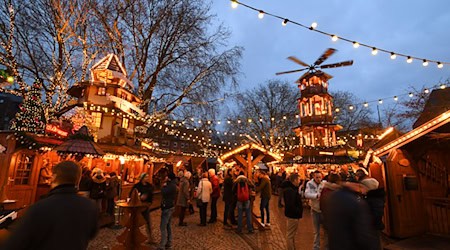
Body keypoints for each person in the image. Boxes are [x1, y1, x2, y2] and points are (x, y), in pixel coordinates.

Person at [2, 161, 98, 250]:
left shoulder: (40, 207)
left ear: (54, 177)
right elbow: (92, 233)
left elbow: (16, 242)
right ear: (78, 179)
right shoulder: (90, 206)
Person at [325, 180, 378, 250]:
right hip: (350, 245)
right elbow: (363, 234)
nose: (364, 192)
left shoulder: (334, 196)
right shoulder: (356, 202)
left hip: (335, 243)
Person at [356, 169, 385, 250]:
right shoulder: (375, 198)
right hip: (372, 226)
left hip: (371, 227)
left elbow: (375, 214)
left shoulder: (372, 200)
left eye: (362, 187)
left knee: (374, 243)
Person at [130, 173, 154, 244]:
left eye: (147, 177)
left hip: (145, 206)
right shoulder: (137, 186)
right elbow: (132, 194)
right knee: (135, 222)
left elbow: (151, 195)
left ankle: (150, 238)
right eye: (145, 177)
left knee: (148, 222)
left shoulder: (149, 186)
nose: (147, 178)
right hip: (137, 207)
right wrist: (138, 197)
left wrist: (149, 202)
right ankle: (134, 238)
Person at [304, 170, 324, 250]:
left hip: (323, 211)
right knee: (316, 231)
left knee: (325, 231)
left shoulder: (324, 183)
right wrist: (316, 196)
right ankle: (316, 248)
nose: (319, 179)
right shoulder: (309, 184)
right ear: (313, 177)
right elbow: (307, 194)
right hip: (315, 210)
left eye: (320, 177)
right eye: (317, 177)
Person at [283, 173, 304, 250]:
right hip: (293, 215)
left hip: (292, 214)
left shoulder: (291, 189)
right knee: (290, 235)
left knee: (291, 234)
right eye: (298, 179)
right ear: (294, 180)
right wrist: (297, 211)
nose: (299, 181)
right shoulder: (290, 191)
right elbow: (290, 204)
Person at [158, 172, 177, 250]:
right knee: (168, 225)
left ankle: (162, 245)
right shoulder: (173, 185)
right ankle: (169, 242)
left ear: (168, 178)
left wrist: (163, 186)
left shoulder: (170, 186)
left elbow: (163, 192)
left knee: (163, 226)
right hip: (170, 206)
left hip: (167, 207)